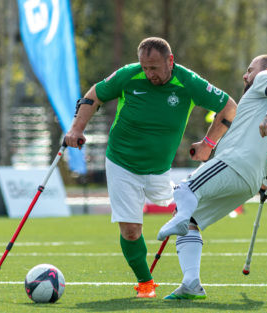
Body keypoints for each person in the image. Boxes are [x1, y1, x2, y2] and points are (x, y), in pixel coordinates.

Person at [65, 37, 237, 298]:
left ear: (170, 60)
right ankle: (146, 283)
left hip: (160, 170)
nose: (149, 74)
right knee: (131, 229)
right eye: (145, 67)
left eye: (154, 68)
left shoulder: (188, 81)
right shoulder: (128, 76)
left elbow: (229, 106)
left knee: (188, 216)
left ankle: (192, 281)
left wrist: (208, 143)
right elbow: (94, 96)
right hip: (121, 162)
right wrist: (76, 129)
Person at [157, 54, 267, 299]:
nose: (246, 75)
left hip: (234, 163)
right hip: (249, 184)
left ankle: (181, 217)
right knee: (191, 222)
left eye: (250, 69)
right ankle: (191, 283)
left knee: (183, 189)